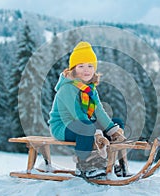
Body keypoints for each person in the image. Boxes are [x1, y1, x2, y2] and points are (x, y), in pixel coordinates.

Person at [48, 41, 126, 178]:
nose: (86, 70)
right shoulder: (67, 88)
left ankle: (108, 162)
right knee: (87, 127)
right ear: (73, 68)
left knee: (115, 122)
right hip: (63, 126)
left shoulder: (90, 89)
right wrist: (95, 132)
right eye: (81, 66)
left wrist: (112, 130)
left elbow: (99, 111)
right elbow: (77, 114)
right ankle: (84, 165)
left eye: (90, 66)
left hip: (84, 122)